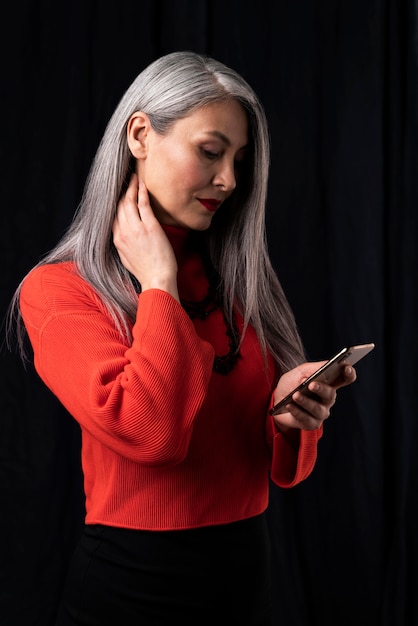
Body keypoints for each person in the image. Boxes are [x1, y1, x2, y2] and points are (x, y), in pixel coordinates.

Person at [7, 51, 357, 625]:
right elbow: (153, 433)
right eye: (210, 151)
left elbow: (271, 465)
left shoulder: (238, 279)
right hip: (130, 590)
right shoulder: (58, 290)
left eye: (239, 159)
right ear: (140, 135)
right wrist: (159, 284)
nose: (230, 180)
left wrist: (290, 410)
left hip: (245, 579)